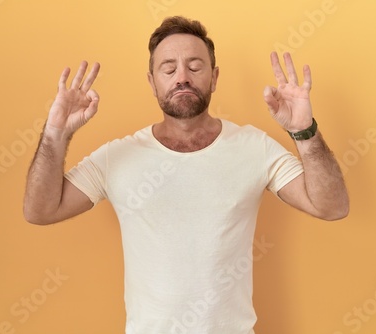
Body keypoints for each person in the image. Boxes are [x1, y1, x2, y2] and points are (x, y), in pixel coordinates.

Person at [23, 16, 349, 334]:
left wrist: (304, 130)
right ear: (152, 82)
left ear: (214, 77)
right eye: (169, 68)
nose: (182, 77)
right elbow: (40, 210)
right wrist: (55, 134)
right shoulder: (116, 157)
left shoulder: (254, 148)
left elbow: (331, 207)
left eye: (195, 66)